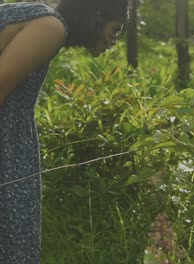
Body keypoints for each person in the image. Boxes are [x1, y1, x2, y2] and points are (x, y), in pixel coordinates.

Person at [0, 0, 128, 262]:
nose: (114, 41)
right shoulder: (50, 26)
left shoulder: (44, 20)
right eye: (114, 31)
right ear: (96, 15)